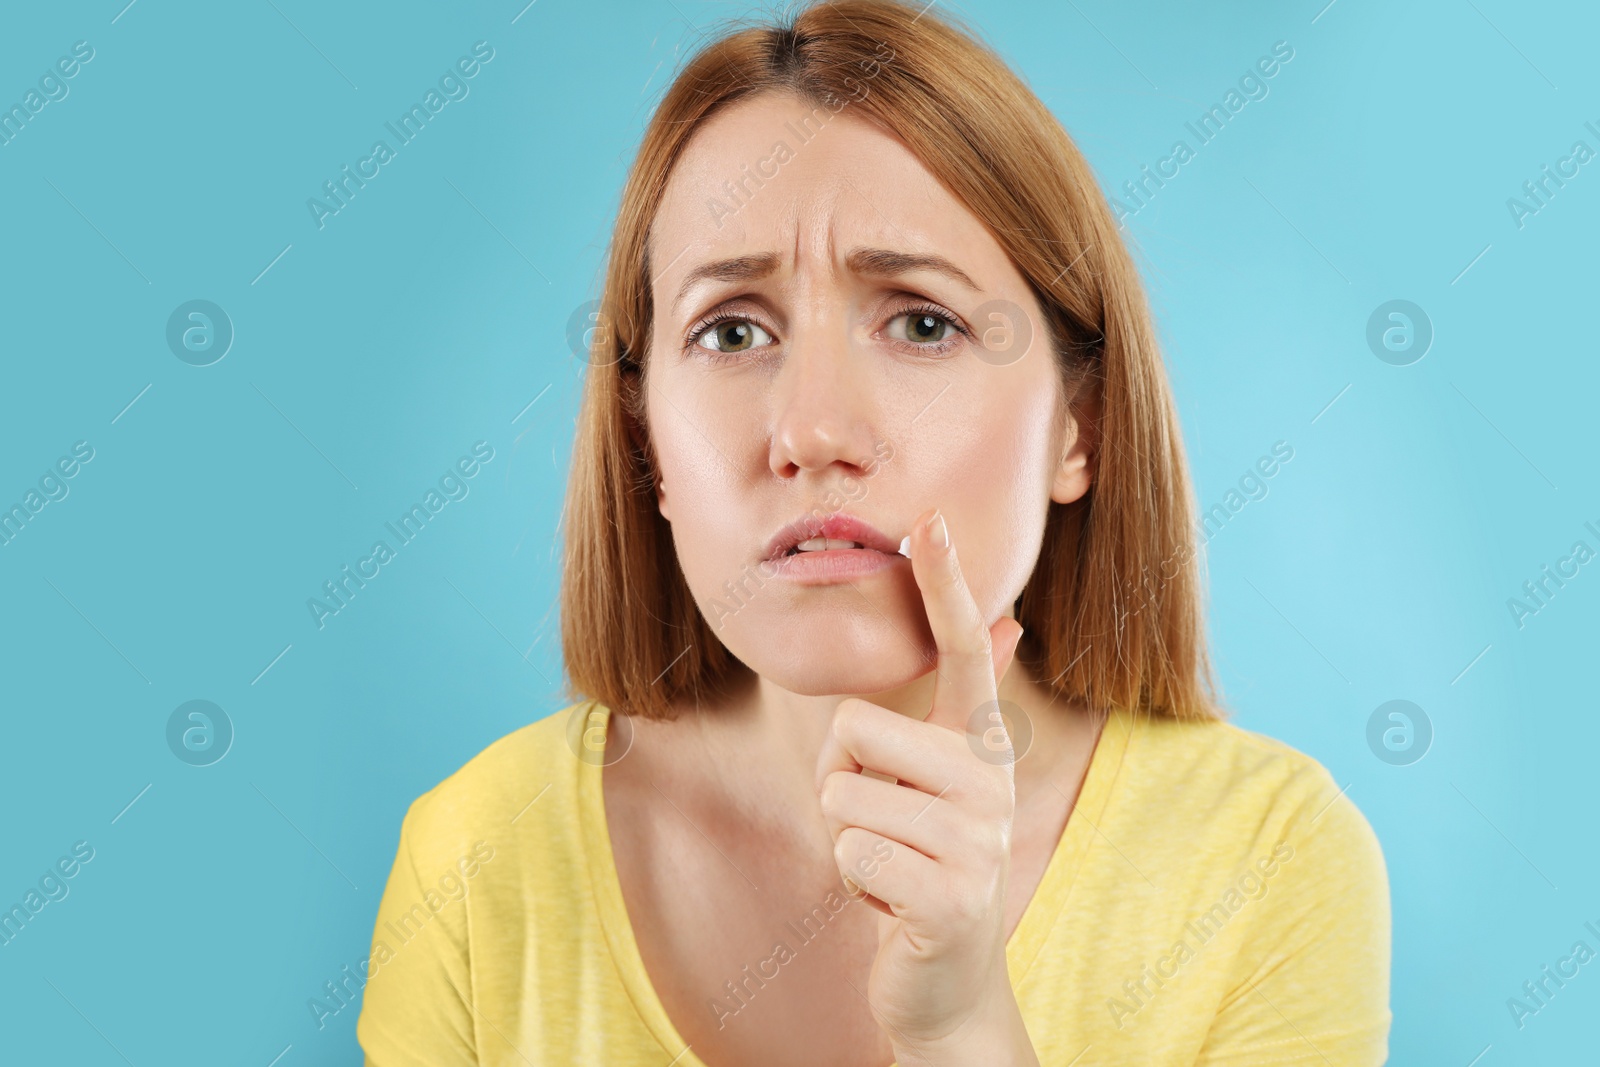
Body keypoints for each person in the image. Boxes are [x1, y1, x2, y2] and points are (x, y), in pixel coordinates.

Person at [357, 1, 1391, 1063]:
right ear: (647, 445)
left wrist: (960, 1026)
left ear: (1077, 430)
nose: (812, 432)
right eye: (732, 330)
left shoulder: (1269, 860)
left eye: (922, 322)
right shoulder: (474, 863)